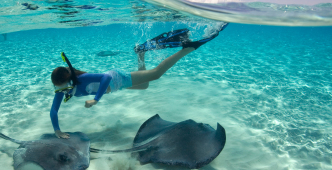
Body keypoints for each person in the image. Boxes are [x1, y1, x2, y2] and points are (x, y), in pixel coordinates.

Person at [50, 26, 227, 138]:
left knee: (156, 74)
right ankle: (140, 53)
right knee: (144, 85)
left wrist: (96, 99)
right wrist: (57, 130)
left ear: (68, 79)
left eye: (60, 85)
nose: (59, 89)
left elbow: (106, 78)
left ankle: (186, 49)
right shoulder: (64, 90)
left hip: (116, 78)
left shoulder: (81, 79)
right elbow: (54, 110)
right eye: (57, 87)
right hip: (116, 86)